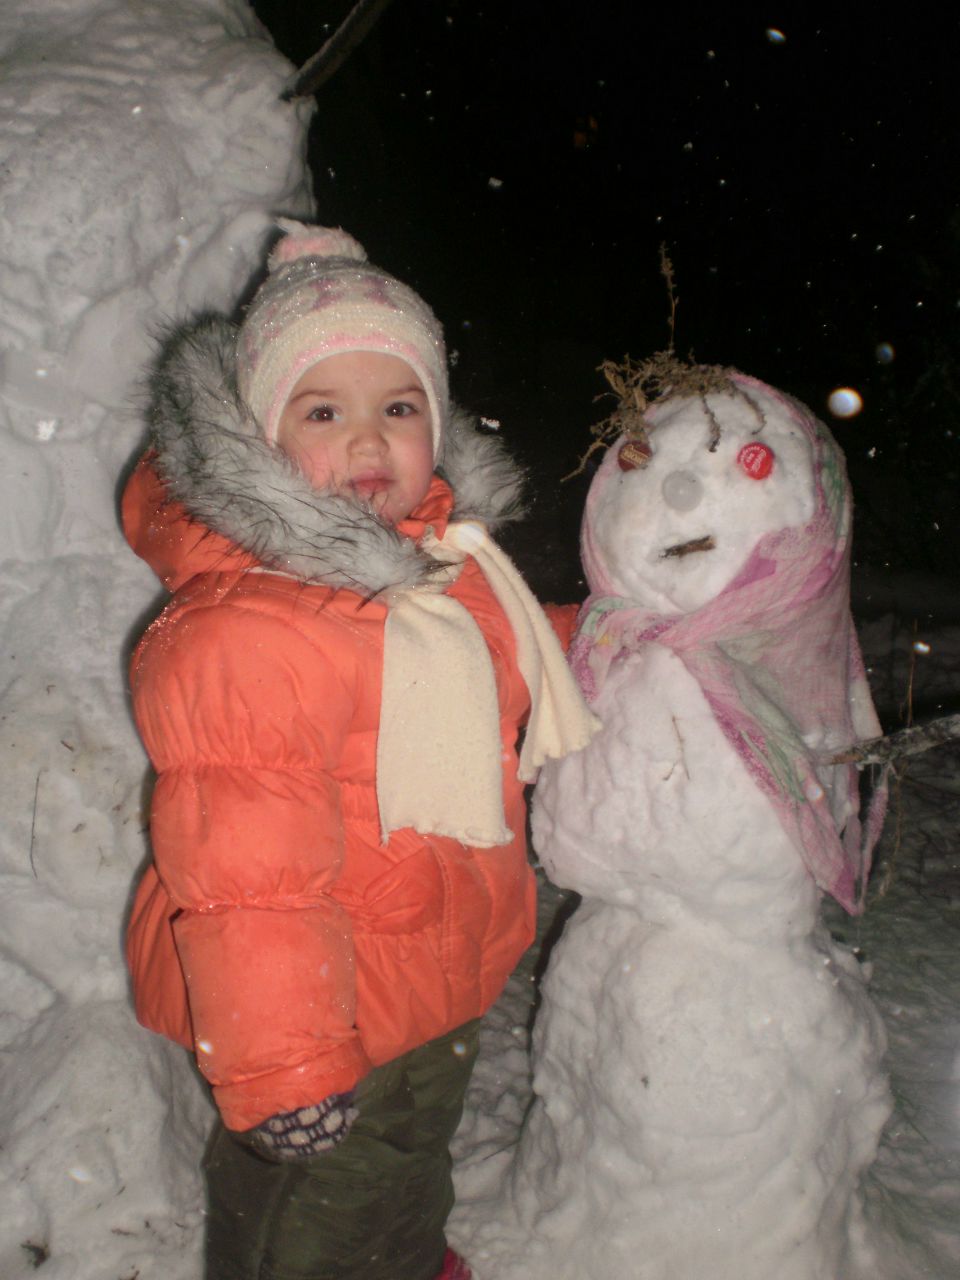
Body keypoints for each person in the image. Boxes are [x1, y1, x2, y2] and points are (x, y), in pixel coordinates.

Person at [122, 221, 596, 1280]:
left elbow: (510, 662)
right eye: (324, 411)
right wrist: (289, 1065)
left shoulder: (441, 571)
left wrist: (603, 640)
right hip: (324, 1018)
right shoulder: (247, 631)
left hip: (434, 977)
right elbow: (249, 880)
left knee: (404, 1168)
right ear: (257, 427)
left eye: (399, 408)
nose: (369, 443)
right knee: (307, 1228)